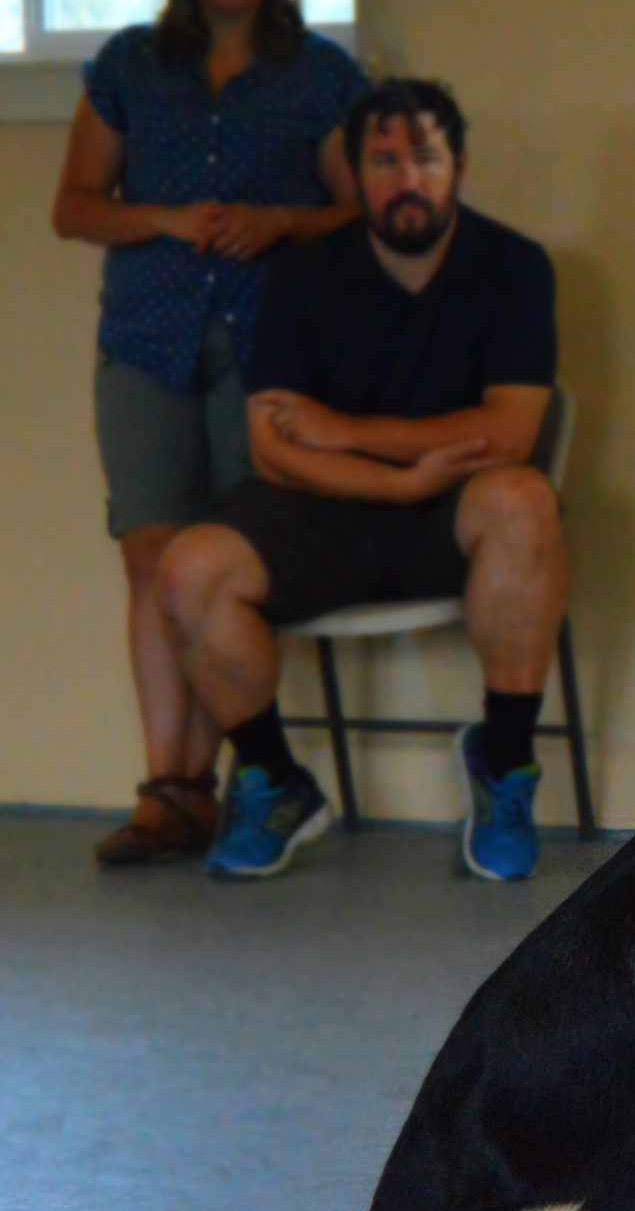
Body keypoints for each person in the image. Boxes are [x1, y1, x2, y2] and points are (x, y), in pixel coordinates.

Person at [156, 79, 568, 884]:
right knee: (188, 565)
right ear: (356, 175)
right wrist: (400, 482)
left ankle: (505, 767)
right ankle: (274, 781)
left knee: (522, 498)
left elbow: (510, 432)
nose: (405, 179)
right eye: (383, 160)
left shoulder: (515, 266)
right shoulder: (301, 279)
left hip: (457, 511)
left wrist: (347, 433)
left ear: (459, 166)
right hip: (323, 511)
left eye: (424, 157)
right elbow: (273, 450)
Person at [52, 0, 367, 867]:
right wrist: (165, 217)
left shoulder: (317, 74)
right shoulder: (132, 66)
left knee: (228, 559)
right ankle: (171, 786)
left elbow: (358, 211)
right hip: (144, 337)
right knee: (149, 556)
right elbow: (75, 206)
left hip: (264, 343)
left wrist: (281, 223)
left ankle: (253, 780)